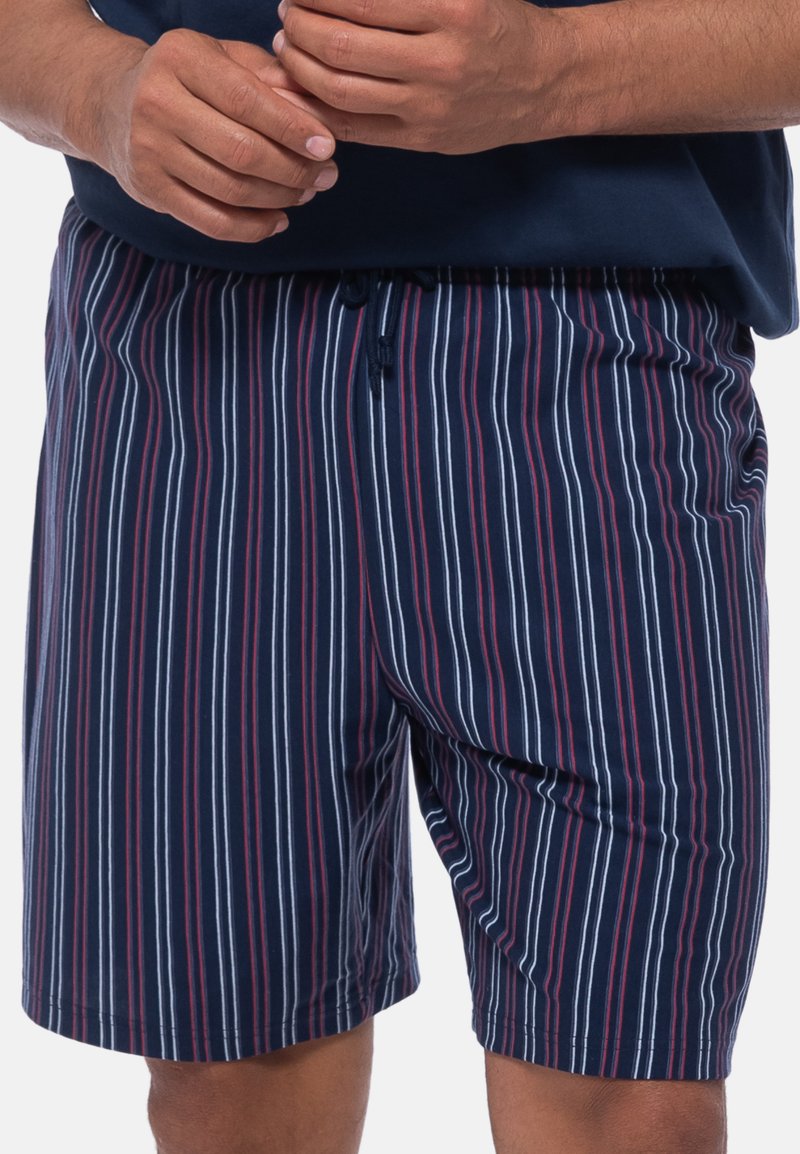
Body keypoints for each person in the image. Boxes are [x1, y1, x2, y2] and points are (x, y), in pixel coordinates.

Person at [2, 0, 797, 1150]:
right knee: (226, 1074)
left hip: (595, 339)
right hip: (193, 347)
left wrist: (559, 69)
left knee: (631, 1096)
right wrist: (99, 93)